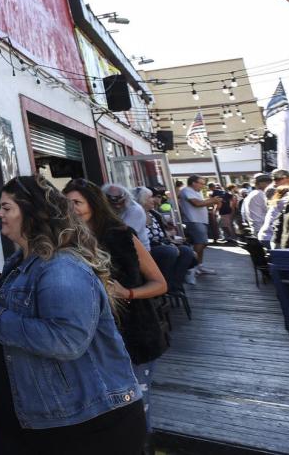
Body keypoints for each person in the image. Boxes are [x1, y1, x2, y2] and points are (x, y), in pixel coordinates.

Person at [0, 175, 143, 455]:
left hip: (86, 426)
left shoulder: (62, 268)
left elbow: (66, 340)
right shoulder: (21, 265)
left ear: (31, 212)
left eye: (7, 207)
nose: (0, 214)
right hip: (43, 422)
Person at [64, 179, 168, 433]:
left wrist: (128, 292)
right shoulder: (65, 240)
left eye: (77, 202)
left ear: (93, 204)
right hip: (90, 342)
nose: (71, 209)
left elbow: (160, 284)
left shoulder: (120, 235)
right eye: (65, 204)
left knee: (135, 410)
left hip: (133, 337)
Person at [135, 186, 198, 289]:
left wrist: (172, 240)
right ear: (142, 200)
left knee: (186, 250)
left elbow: (163, 235)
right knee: (170, 251)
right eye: (150, 197)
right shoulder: (136, 215)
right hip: (147, 250)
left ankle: (173, 285)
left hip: (162, 245)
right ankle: (162, 283)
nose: (154, 200)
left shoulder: (154, 214)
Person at [179, 176, 219, 274]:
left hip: (200, 220)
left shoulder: (196, 192)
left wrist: (211, 201)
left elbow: (201, 203)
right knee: (200, 243)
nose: (203, 186)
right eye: (201, 183)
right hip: (193, 220)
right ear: (193, 183)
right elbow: (196, 203)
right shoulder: (186, 190)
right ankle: (192, 266)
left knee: (202, 243)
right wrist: (212, 200)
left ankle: (198, 265)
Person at [103, 183, 149, 251]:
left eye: (121, 202)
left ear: (127, 198)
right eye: (113, 204)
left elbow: (123, 235)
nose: (117, 206)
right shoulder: (105, 209)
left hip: (138, 250)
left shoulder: (135, 209)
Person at [258, 169, 289, 246]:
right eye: (276, 179)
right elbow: (282, 206)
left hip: (274, 232)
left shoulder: (283, 188)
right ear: (286, 178)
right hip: (271, 234)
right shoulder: (273, 189)